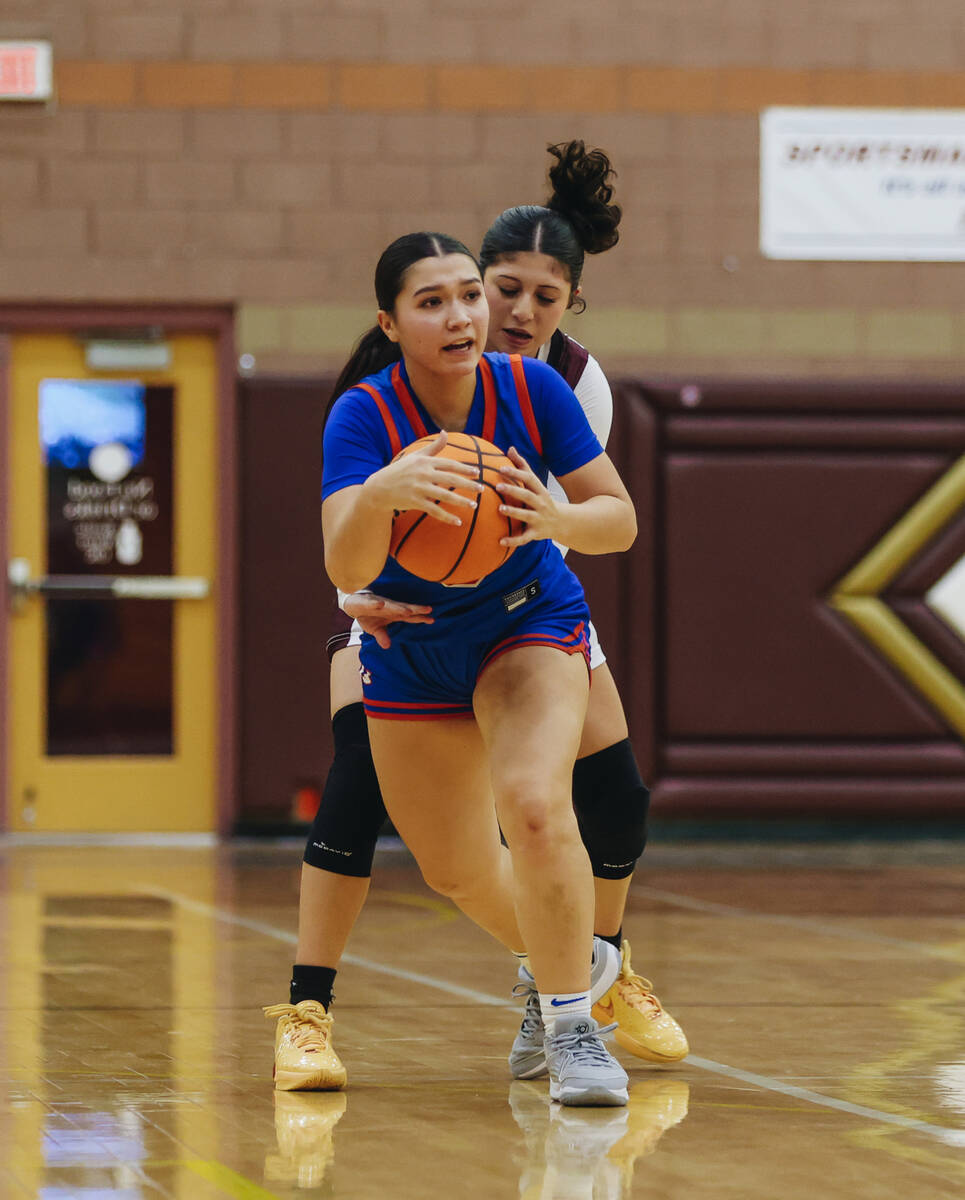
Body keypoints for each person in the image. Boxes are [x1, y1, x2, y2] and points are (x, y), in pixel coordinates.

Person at [266, 143, 687, 1096]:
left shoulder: (550, 385)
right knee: (450, 865)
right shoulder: (362, 415)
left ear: (566, 299)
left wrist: (561, 518)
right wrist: (380, 497)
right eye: (448, 297)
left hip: (526, 614)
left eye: (474, 296)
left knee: (544, 806)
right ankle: (582, 965)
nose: (477, 313)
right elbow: (341, 560)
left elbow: (613, 517)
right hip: (403, 633)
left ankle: (573, 1017)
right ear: (392, 321)